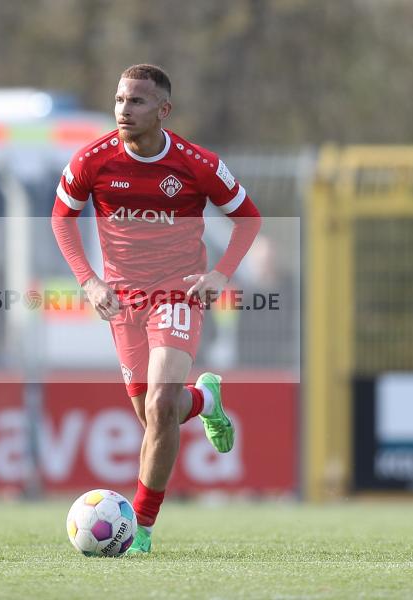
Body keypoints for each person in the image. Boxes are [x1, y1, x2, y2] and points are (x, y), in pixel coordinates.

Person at [51, 64, 262, 554]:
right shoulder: (92, 161)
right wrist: (89, 281)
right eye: (121, 100)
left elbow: (248, 219)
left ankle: (140, 529)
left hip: (177, 292)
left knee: (162, 405)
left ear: (163, 110)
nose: (125, 110)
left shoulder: (196, 163)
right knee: (154, 420)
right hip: (124, 300)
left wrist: (220, 275)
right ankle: (205, 401)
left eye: (138, 102)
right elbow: (62, 219)